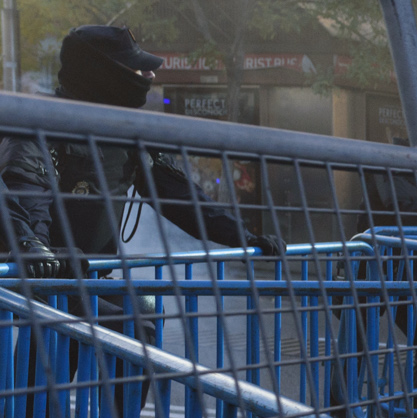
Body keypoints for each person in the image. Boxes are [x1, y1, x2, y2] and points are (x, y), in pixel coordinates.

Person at [45, 25, 281, 259]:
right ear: (103, 72)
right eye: (136, 68)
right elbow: (26, 201)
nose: (150, 75)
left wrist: (243, 236)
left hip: (93, 277)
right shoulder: (39, 125)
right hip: (40, 278)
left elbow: (180, 197)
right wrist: (39, 251)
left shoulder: (129, 134)